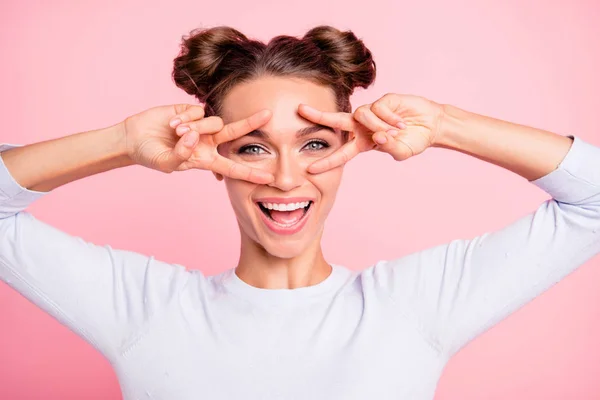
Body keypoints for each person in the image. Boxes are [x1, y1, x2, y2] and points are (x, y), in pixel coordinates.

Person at [1, 25, 598, 400]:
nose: (286, 179)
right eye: (252, 149)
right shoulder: (144, 309)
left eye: (315, 144)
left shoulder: (413, 305)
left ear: (348, 150)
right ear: (211, 158)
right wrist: (124, 141)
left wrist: (444, 124)